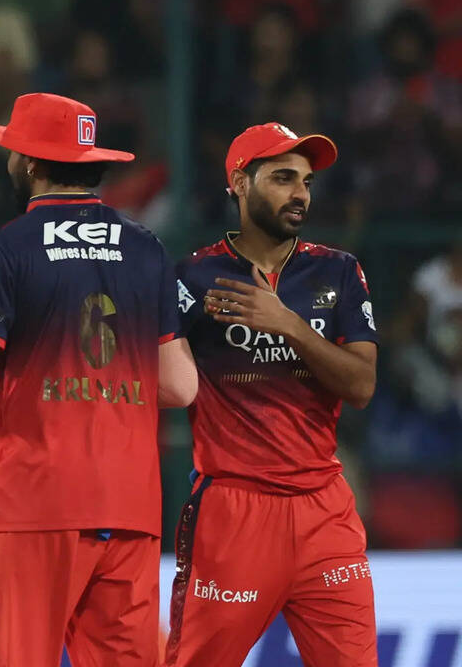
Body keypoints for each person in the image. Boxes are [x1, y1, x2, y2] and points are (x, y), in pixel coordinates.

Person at [0, 93, 198, 666]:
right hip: (129, 508)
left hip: (35, 506)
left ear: (30, 163)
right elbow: (181, 386)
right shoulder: (147, 248)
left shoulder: (9, 246)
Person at [165, 123, 378, 666]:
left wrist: (289, 325)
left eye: (306, 182)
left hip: (325, 512)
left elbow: (361, 386)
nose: (300, 193)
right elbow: (157, 378)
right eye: (283, 178)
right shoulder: (193, 277)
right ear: (241, 182)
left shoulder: (338, 270)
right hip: (234, 512)